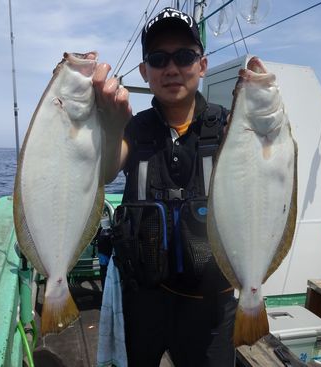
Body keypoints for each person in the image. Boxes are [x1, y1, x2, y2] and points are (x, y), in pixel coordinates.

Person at [93, 7, 237, 367]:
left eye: (184, 56)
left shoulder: (229, 128)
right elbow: (107, 169)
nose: (171, 68)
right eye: (158, 59)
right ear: (145, 71)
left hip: (212, 304)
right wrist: (110, 126)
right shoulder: (133, 128)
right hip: (144, 299)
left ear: (202, 65)